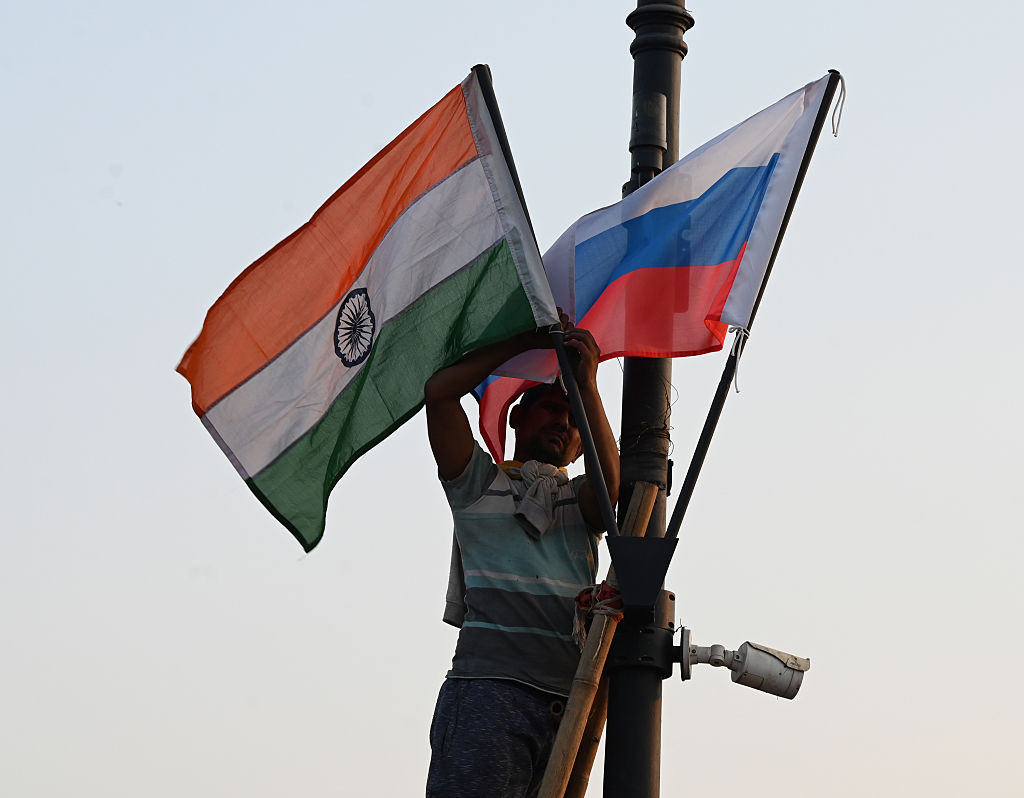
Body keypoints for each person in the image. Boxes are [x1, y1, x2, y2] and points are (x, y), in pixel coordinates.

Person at [423, 312, 619, 798]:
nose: (564, 423)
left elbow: (612, 489)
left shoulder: (579, 503)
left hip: (568, 701)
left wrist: (586, 387)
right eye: (552, 408)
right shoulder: (479, 485)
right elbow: (439, 393)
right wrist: (522, 341)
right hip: (489, 693)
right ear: (517, 416)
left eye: (574, 419)